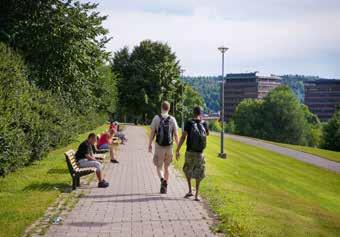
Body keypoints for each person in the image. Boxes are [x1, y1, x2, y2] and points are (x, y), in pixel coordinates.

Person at [176, 106, 209, 201]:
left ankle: (190, 190)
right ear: (201, 113)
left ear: (193, 113)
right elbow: (207, 134)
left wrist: (178, 149)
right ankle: (196, 195)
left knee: (187, 169)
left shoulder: (189, 123)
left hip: (190, 151)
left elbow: (183, 137)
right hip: (200, 153)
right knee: (199, 172)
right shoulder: (204, 123)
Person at [148, 101, 179, 194]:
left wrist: (149, 144)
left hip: (159, 146)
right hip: (169, 147)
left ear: (161, 108)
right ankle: (165, 188)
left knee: (159, 166)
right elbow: (176, 135)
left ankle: (162, 180)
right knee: (167, 167)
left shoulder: (156, 118)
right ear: (168, 109)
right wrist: (177, 147)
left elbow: (152, 132)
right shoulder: (172, 119)